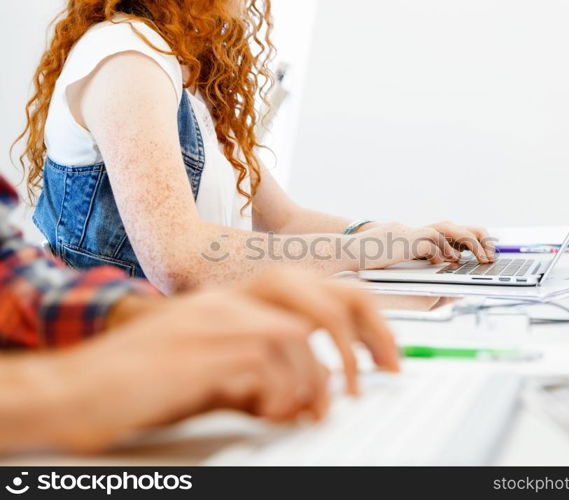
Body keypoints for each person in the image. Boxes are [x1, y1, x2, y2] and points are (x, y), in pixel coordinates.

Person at [16, 0, 496, 294]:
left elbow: (285, 219)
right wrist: (369, 248)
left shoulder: (183, 72)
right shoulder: (127, 59)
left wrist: (403, 237)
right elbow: (180, 261)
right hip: (124, 358)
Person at [0, 174, 398, 453]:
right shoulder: (126, 60)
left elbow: (22, 286)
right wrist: (66, 385)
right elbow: (182, 257)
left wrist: (166, 325)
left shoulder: (212, 100)